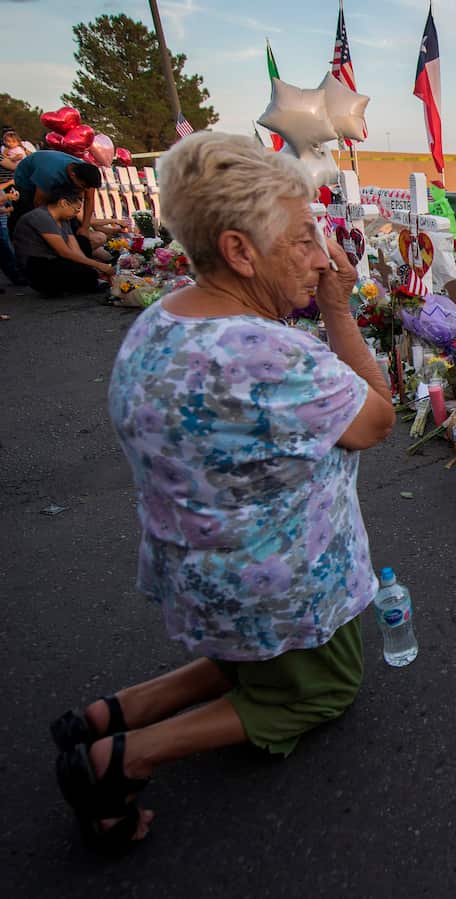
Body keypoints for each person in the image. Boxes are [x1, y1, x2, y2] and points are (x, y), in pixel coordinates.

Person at [51, 133, 395, 853]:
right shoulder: (267, 353)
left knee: (252, 661)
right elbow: (377, 416)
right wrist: (337, 309)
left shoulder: (160, 319)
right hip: (276, 582)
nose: (319, 258)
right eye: (303, 240)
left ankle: (111, 710)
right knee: (322, 688)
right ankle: (123, 755)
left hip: (198, 569)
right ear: (240, 250)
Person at [12, 186, 113, 296]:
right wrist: (98, 265)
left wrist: (91, 267)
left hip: (54, 259)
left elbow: (74, 248)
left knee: (83, 244)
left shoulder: (64, 220)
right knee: (85, 275)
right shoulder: (41, 217)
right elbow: (64, 252)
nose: (76, 213)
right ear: (64, 203)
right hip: (36, 264)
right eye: (76, 209)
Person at [9, 148, 102, 237]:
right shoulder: (49, 173)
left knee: (67, 223)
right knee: (29, 214)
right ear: (73, 176)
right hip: (26, 182)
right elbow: (38, 203)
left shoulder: (87, 174)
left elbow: (89, 200)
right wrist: (53, 227)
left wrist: (85, 227)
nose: (85, 190)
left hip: (52, 174)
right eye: (83, 187)